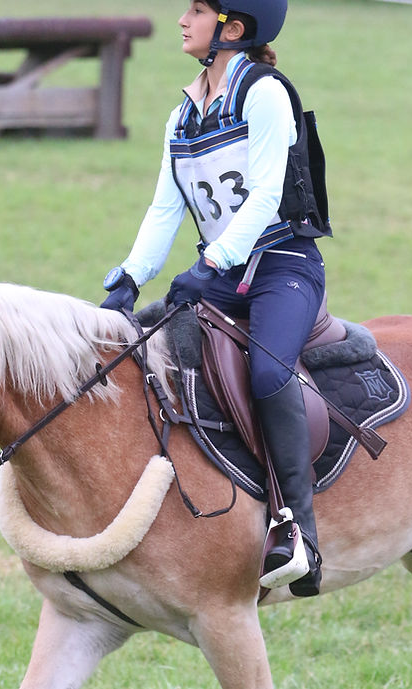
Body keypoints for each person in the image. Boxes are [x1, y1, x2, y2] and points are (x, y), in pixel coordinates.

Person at [99, 0, 331, 597]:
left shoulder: (265, 94)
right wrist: (130, 276)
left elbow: (263, 196)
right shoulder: (182, 115)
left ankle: (298, 531)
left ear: (231, 28)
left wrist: (210, 263)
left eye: (196, 10)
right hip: (222, 271)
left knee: (267, 374)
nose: (182, 19)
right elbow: (165, 208)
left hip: (283, 265)